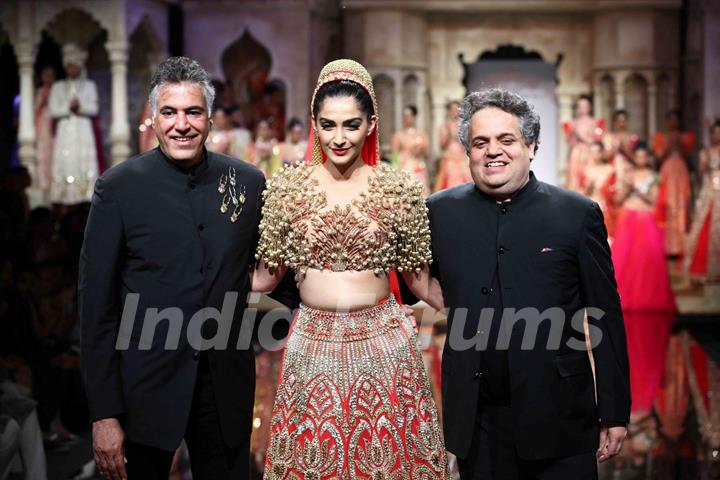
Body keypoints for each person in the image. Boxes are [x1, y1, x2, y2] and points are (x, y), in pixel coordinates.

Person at [252, 59, 448, 479]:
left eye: (351, 125)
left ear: (372, 123)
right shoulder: (288, 189)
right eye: (328, 125)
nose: (338, 138)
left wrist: (486, 306)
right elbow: (266, 278)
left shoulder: (397, 189)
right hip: (312, 344)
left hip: (383, 345)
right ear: (314, 123)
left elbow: (418, 281)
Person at [80, 56, 268, 479]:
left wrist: (253, 309)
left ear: (210, 118)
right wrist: (104, 414)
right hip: (145, 392)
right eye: (169, 112)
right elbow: (97, 310)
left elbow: (279, 277)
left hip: (224, 392)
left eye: (193, 112)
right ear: (153, 118)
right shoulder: (119, 188)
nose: (181, 124)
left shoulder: (249, 182)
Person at [428, 88, 630, 479]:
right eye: (480, 142)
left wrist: (615, 411)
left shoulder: (576, 214)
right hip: (476, 422)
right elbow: (412, 282)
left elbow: (604, 316)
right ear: (467, 151)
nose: (492, 151)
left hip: (561, 421)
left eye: (506, 140)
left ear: (531, 146)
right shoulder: (439, 212)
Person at [611, 143, 675, 426]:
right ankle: (622, 300)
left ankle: (646, 300)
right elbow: (619, 197)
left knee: (647, 263)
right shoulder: (627, 174)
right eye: (636, 155)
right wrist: (627, 187)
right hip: (628, 217)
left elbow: (653, 200)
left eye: (643, 155)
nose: (640, 159)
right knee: (624, 265)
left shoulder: (654, 175)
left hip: (645, 217)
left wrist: (641, 190)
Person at [48, 43, 99, 204]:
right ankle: (64, 198)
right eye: (69, 66)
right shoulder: (58, 87)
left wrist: (80, 107)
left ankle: (85, 195)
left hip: (83, 128)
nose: (72, 69)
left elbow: (94, 108)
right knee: (67, 160)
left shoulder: (89, 85)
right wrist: (68, 107)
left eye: (75, 66)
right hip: (65, 129)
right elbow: (53, 110)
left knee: (83, 161)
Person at [654, 110, 694, 258]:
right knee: (668, 205)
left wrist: (680, 145)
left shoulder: (686, 137)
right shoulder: (661, 138)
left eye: (676, 120)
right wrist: (667, 145)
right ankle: (667, 247)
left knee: (681, 206)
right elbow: (659, 158)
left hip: (681, 172)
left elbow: (688, 156)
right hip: (667, 171)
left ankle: (681, 246)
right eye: (671, 120)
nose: (673, 123)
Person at [684, 119, 720, 282]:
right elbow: (700, 174)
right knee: (706, 225)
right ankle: (709, 268)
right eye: (714, 132)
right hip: (710, 190)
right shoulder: (706, 152)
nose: (716, 135)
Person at [563, 95, 605, 193]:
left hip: (591, 152)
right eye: (580, 106)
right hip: (577, 153)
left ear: (590, 107)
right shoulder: (573, 122)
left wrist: (583, 137)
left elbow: (598, 139)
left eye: (585, 106)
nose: (583, 108)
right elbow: (571, 143)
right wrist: (572, 133)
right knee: (575, 177)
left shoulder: (595, 122)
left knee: (589, 175)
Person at [392, 105, 430, 196]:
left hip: (418, 166)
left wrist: (420, 149)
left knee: (420, 192)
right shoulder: (398, 135)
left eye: (409, 116)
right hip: (404, 167)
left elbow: (427, 155)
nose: (407, 118)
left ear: (414, 117)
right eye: (405, 116)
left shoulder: (422, 134)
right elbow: (394, 156)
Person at [435, 100, 472, 191]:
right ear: (448, 111)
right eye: (452, 110)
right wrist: (448, 135)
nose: (454, 112)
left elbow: (468, 144)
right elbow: (442, 146)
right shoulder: (444, 126)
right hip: (449, 158)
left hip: (462, 158)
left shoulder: (465, 126)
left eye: (457, 109)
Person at [583, 142, 618, 238]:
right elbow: (582, 192)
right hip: (589, 207)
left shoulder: (610, 169)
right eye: (592, 152)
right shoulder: (586, 169)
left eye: (597, 152)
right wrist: (588, 188)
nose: (594, 155)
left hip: (605, 209)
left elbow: (614, 192)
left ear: (602, 152)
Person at [34, 66, 56, 202]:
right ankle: (42, 184)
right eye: (45, 75)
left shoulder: (57, 90)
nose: (48, 78)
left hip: (54, 127)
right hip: (42, 127)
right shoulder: (39, 92)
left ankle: (53, 184)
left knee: (53, 155)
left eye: (50, 74)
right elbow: (34, 109)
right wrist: (42, 100)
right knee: (42, 156)